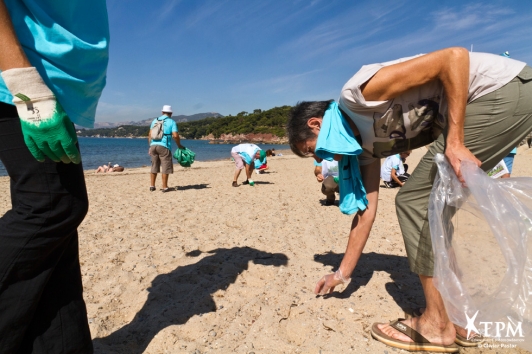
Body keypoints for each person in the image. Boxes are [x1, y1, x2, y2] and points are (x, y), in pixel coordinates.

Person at [287, 47, 532, 352]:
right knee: (435, 208)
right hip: (498, 102)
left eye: (312, 150)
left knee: (414, 200)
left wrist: (454, 141)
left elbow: (454, 58)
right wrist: (341, 273)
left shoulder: (357, 96)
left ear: (315, 124)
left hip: (501, 90)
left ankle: (436, 325)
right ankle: (460, 319)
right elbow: (367, 211)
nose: (321, 157)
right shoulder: (364, 148)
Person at [0, 1, 109, 352]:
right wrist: (24, 84)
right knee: (53, 207)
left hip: (44, 85)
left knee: (57, 239)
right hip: (21, 81)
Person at [148, 105, 184, 192]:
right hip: (164, 146)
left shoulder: (155, 120)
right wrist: (179, 145)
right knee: (165, 166)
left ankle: (152, 186)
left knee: (154, 165)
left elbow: (150, 135)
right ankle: (165, 186)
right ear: (171, 113)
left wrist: (150, 146)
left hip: (153, 145)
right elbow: (175, 135)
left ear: (162, 112)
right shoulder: (171, 122)